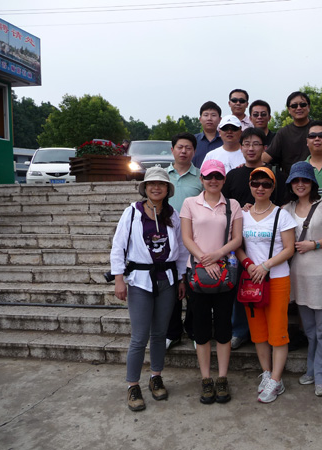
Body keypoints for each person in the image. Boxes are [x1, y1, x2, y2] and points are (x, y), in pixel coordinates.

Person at [110, 167, 188, 412]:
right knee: (139, 336)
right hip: (140, 280)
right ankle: (133, 385)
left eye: (161, 184)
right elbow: (118, 245)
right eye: (152, 184)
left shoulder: (172, 214)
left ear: (167, 189)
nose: (156, 187)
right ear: (145, 188)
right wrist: (119, 278)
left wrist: (181, 278)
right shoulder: (132, 212)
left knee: (160, 334)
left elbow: (181, 249)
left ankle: (156, 376)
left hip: (167, 279)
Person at [180, 159, 243, 404]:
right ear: (201, 179)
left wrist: (217, 255)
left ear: (224, 179)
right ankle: (206, 378)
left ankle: (222, 377)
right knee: (202, 329)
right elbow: (186, 237)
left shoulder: (233, 205)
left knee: (224, 328)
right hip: (197, 273)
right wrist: (205, 260)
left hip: (224, 273)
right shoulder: (189, 203)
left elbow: (236, 239)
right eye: (208, 176)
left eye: (218, 176)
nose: (213, 180)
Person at [222, 127, 287, 351]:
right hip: (240, 242)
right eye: (246, 144)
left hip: (268, 243)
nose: (251, 148)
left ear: (264, 147)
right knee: (241, 286)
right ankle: (240, 331)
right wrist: (241, 211)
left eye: (256, 144)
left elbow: (284, 204)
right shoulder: (234, 175)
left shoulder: (275, 175)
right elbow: (226, 206)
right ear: (240, 148)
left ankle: (267, 332)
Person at [235, 167, 296, 403]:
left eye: (266, 184)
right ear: (250, 186)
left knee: (278, 331)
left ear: (273, 188)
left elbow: (289, 248)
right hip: (251, 279)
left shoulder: (282, 215)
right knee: (258, 332)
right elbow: (238, 246)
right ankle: (267, 373)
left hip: (276, 278)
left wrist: (266, 266)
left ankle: (276, 380)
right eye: (256, 183)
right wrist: (250, 265)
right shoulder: (243, 215)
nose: (260, 188)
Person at [282, 161, 322, 398]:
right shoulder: (287, 208)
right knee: (311, 331)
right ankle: (312, 369)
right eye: (296, 180)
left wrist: (314, 244)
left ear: (312, 182)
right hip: (298, 276)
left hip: (321, 276)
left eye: (305, 180)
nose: (300, 184)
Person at [164, 132, 204, 350]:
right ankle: (173, 332)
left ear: (194, 151)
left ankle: (194, 330)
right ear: (172, 150)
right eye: (180, 147)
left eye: (188, 148)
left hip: (194, 241)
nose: (183, 151)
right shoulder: (162, 176)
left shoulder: (201, 177)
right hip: (166, 241)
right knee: (171, 290)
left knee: (194, 289)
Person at [262, 91, 322, 174]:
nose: (299, 108)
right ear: (289, 109)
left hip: (318, 176)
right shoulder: (283, 133)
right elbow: (266, 157)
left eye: (303, 105)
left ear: (309, 107)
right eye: (294, 106)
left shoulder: (318, 128)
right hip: (291, 179)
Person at [194, 101, 223, 168]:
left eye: (213, 115)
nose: (209, 118)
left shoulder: (225, 141)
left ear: (220, 119)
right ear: (200, 119)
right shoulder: (193, 141)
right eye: (206, 115)